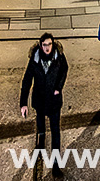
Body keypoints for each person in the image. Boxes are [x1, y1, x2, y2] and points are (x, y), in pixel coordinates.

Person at [19, 33, 68, 161]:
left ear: (53, 44)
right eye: (45, 45)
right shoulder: (35, 60)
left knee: (55, 131)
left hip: (53, 100)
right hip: (40, 99)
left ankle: (56, 164)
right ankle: (41, 143)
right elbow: (27, 81)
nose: (47, 48)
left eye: (49, 44)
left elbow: (64, 70)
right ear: (41, 46)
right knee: (40, 123)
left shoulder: (59, 57)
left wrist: (58, 87)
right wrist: (23, 103)